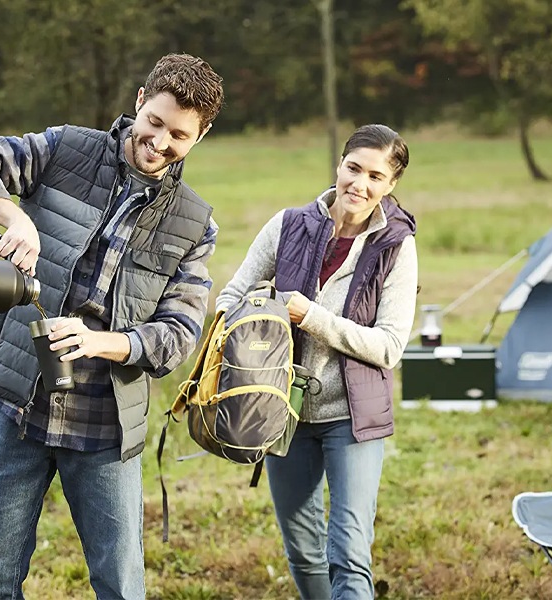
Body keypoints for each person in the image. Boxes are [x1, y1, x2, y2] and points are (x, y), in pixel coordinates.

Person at [0, 54, 224, 600]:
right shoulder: (65, 149)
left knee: (119, 586)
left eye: (178, 135)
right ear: (140, 101)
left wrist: (102, 343)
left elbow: (179, 335)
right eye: (155, 123)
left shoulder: (196, 223)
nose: (159, 143)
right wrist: (13, 215)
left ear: (200, 136)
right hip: (15, 403)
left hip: (105, 424)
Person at [215, 124, 418, 599]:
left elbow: (389, 346)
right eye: (353, 168)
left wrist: (312, 317)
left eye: (375, 176)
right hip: (280, 413)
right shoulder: (287, 225)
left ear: (390, 185)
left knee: (349, 553)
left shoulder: (396, 247)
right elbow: (228, 302)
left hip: (352, 416)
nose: (359, 184)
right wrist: (262, 316)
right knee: (304, 552)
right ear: (339, 165)